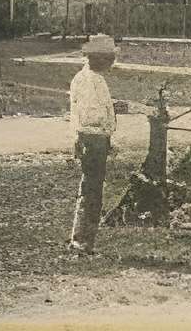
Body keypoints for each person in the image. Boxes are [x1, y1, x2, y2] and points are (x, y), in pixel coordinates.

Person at [68, 32, 117, 253]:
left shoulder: (96, 79)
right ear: (95, 58)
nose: (110, 63)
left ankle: (86, 239)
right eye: (107, 58)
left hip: (97, 138)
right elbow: (90, 116)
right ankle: (81, 240)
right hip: (92, 137)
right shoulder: (87, 80)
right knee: (91, 190)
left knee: (93, 188)